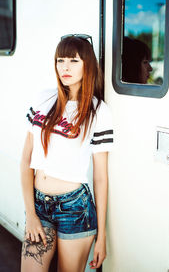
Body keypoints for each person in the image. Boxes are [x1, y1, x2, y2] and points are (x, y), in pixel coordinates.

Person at [20, 34, 113, 272]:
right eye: (60, 60)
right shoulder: (43, 98)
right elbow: (26, 161)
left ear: (87, 65)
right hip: (39, 205)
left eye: (73, 60)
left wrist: (101, 236)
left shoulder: (97, 111)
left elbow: (101, 177)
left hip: (75, 209)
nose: (65, 67)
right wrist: (30, 213)